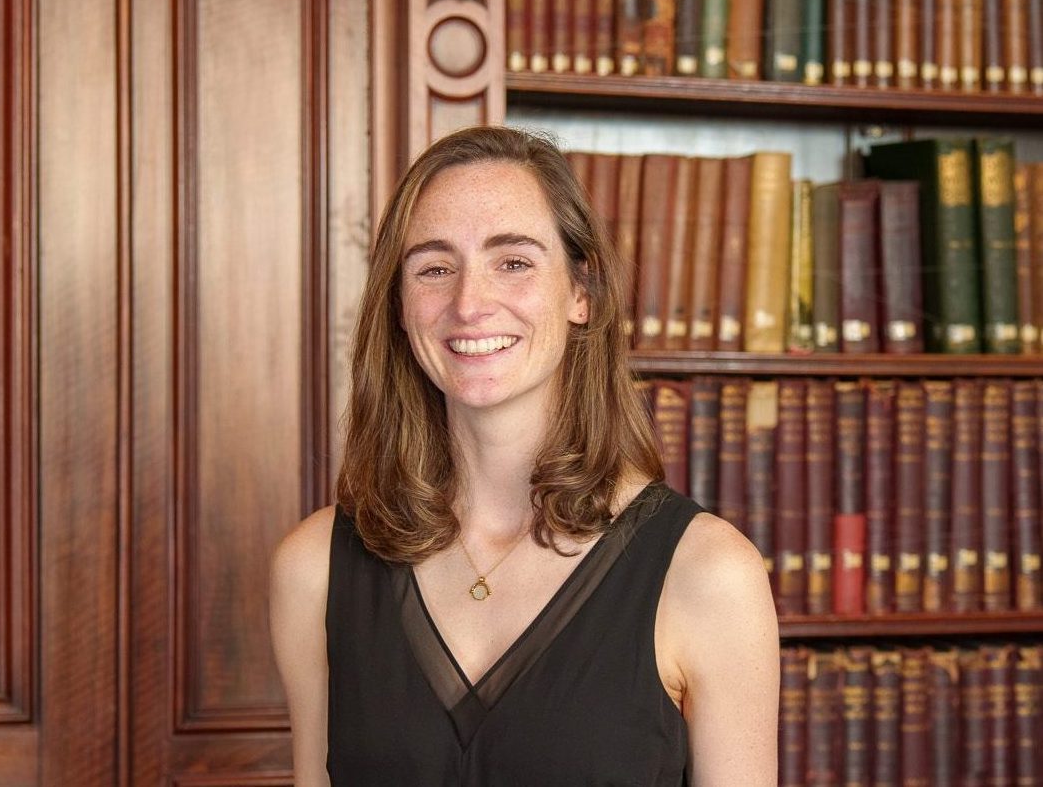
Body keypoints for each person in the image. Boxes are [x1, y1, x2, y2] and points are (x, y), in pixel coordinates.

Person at [270, 125, 779, 786]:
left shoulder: (709, 574)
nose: (470, 303)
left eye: (513, 261)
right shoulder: (312, 569)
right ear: (398, 304)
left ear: (580, 291)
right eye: (434, 268)